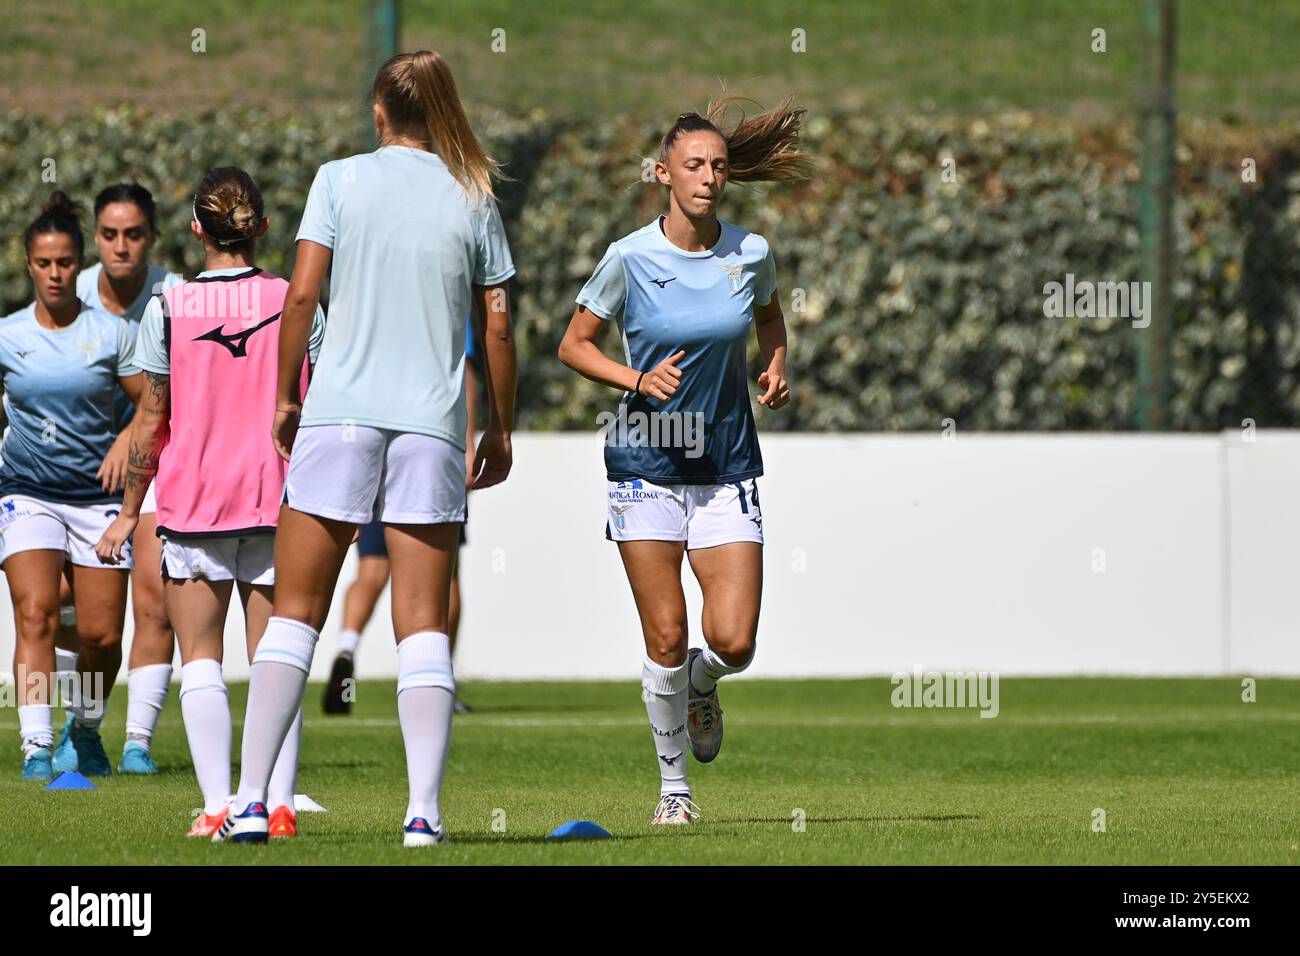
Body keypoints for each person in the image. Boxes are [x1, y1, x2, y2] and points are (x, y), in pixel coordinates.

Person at [216, 50, 517, 847]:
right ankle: (423, 815)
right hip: (430, 428)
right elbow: (497, 326)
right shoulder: (474, 194)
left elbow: (303, 294)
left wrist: (286, 394)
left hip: (339, 417)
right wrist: (501, 428)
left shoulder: (337, 179)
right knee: (422, 624)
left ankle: (249, 803)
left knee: (295, 615)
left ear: (379, 112)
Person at [557, 97, 808, 824]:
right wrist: (635, 379)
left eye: (719, 166)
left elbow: (768, 316)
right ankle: (674, 792)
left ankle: (704, 682)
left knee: (733, 642)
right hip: (646, 467)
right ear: (664, 173)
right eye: (694, 165)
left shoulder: (751, 252)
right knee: (664, 635)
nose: (708, 178)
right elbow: (574, 345)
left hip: (727, 465)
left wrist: (776, 364)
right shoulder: (629, 258)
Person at [97, 166, 325, 837]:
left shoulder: (168, 306)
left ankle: (220, 807)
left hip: (193, 504)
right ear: (260, 227)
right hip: (279, 502)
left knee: (198, 654)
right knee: (274, 658)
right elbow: (319, 403)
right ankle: (277, 808)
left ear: (197, 228)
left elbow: (151, 418)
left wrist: (130, 510)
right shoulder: (294, 299)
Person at [1, 192, 144, 780]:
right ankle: (36, 747)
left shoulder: (111, 333)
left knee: (100, 633)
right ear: (28, 265)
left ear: (78, 265)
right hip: (26, 490)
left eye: (64, 263)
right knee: (34, 613)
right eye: (43, 263)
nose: (55, 273)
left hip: (99, 502)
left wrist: (123, 440)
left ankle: (83, 731)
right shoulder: (7, 334)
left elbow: (155, 409)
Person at [61, 183, 183, 776]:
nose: (121, 246)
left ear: (152, 237)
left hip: (158, 464)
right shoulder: (71, 292)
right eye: (109, 235)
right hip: (71, 475)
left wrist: (130, 437)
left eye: (133, 234)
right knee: (67, 612)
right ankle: (80, 726)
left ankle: (136, 743)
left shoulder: (176, 296)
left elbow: (174, 394)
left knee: (157, 603)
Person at [323, 321, 481, 716]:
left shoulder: (365, 291)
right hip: (430, 441)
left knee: (372, 570)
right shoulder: (445, 290)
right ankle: (436, 680)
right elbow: (465, 371)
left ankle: (346, 646)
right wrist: (469, 441)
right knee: (445, 574)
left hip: (373, 442)